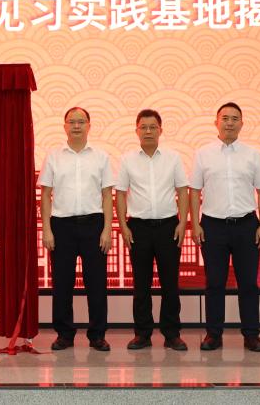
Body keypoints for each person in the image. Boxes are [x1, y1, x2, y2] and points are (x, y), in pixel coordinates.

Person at [190, 102, 260, 352]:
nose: (229, 123)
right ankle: (213, 334)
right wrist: (196, 224)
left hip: (246, 225)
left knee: (249, 284)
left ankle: (251, 335)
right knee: (215, 283)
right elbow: (194, 191)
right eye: (225, 118)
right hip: (213, 226)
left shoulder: (252, 155)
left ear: (242, 124)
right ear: (216, 122)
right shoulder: (203, 154)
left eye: (235, 119)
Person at [39, 107, 114, 351]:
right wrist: (47, 229)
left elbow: (107, 195)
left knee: (97, 283)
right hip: (62, 225)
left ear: (89, 126)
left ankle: (97, 335)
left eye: (81, 122)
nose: (77, 126)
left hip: (94, 225)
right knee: (62, 283)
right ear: (65, 126)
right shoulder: (53, 157)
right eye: (72, 122)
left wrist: (107, 229)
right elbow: (46, 195)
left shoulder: (101, 157)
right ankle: (64, 334)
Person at [116, 109, 189, 351]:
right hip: (139, 228)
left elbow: (182, 191)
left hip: (168, 227)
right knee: (141, 285)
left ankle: (172, 334)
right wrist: (123, 225)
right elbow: (121, 194)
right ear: (136, 130)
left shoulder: (173, 158)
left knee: (170, 284)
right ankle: (142, 334)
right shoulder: (127, 160)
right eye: (143, 127)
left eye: (153, 127)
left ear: (160, 130)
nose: (148, 131)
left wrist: (182, 222)